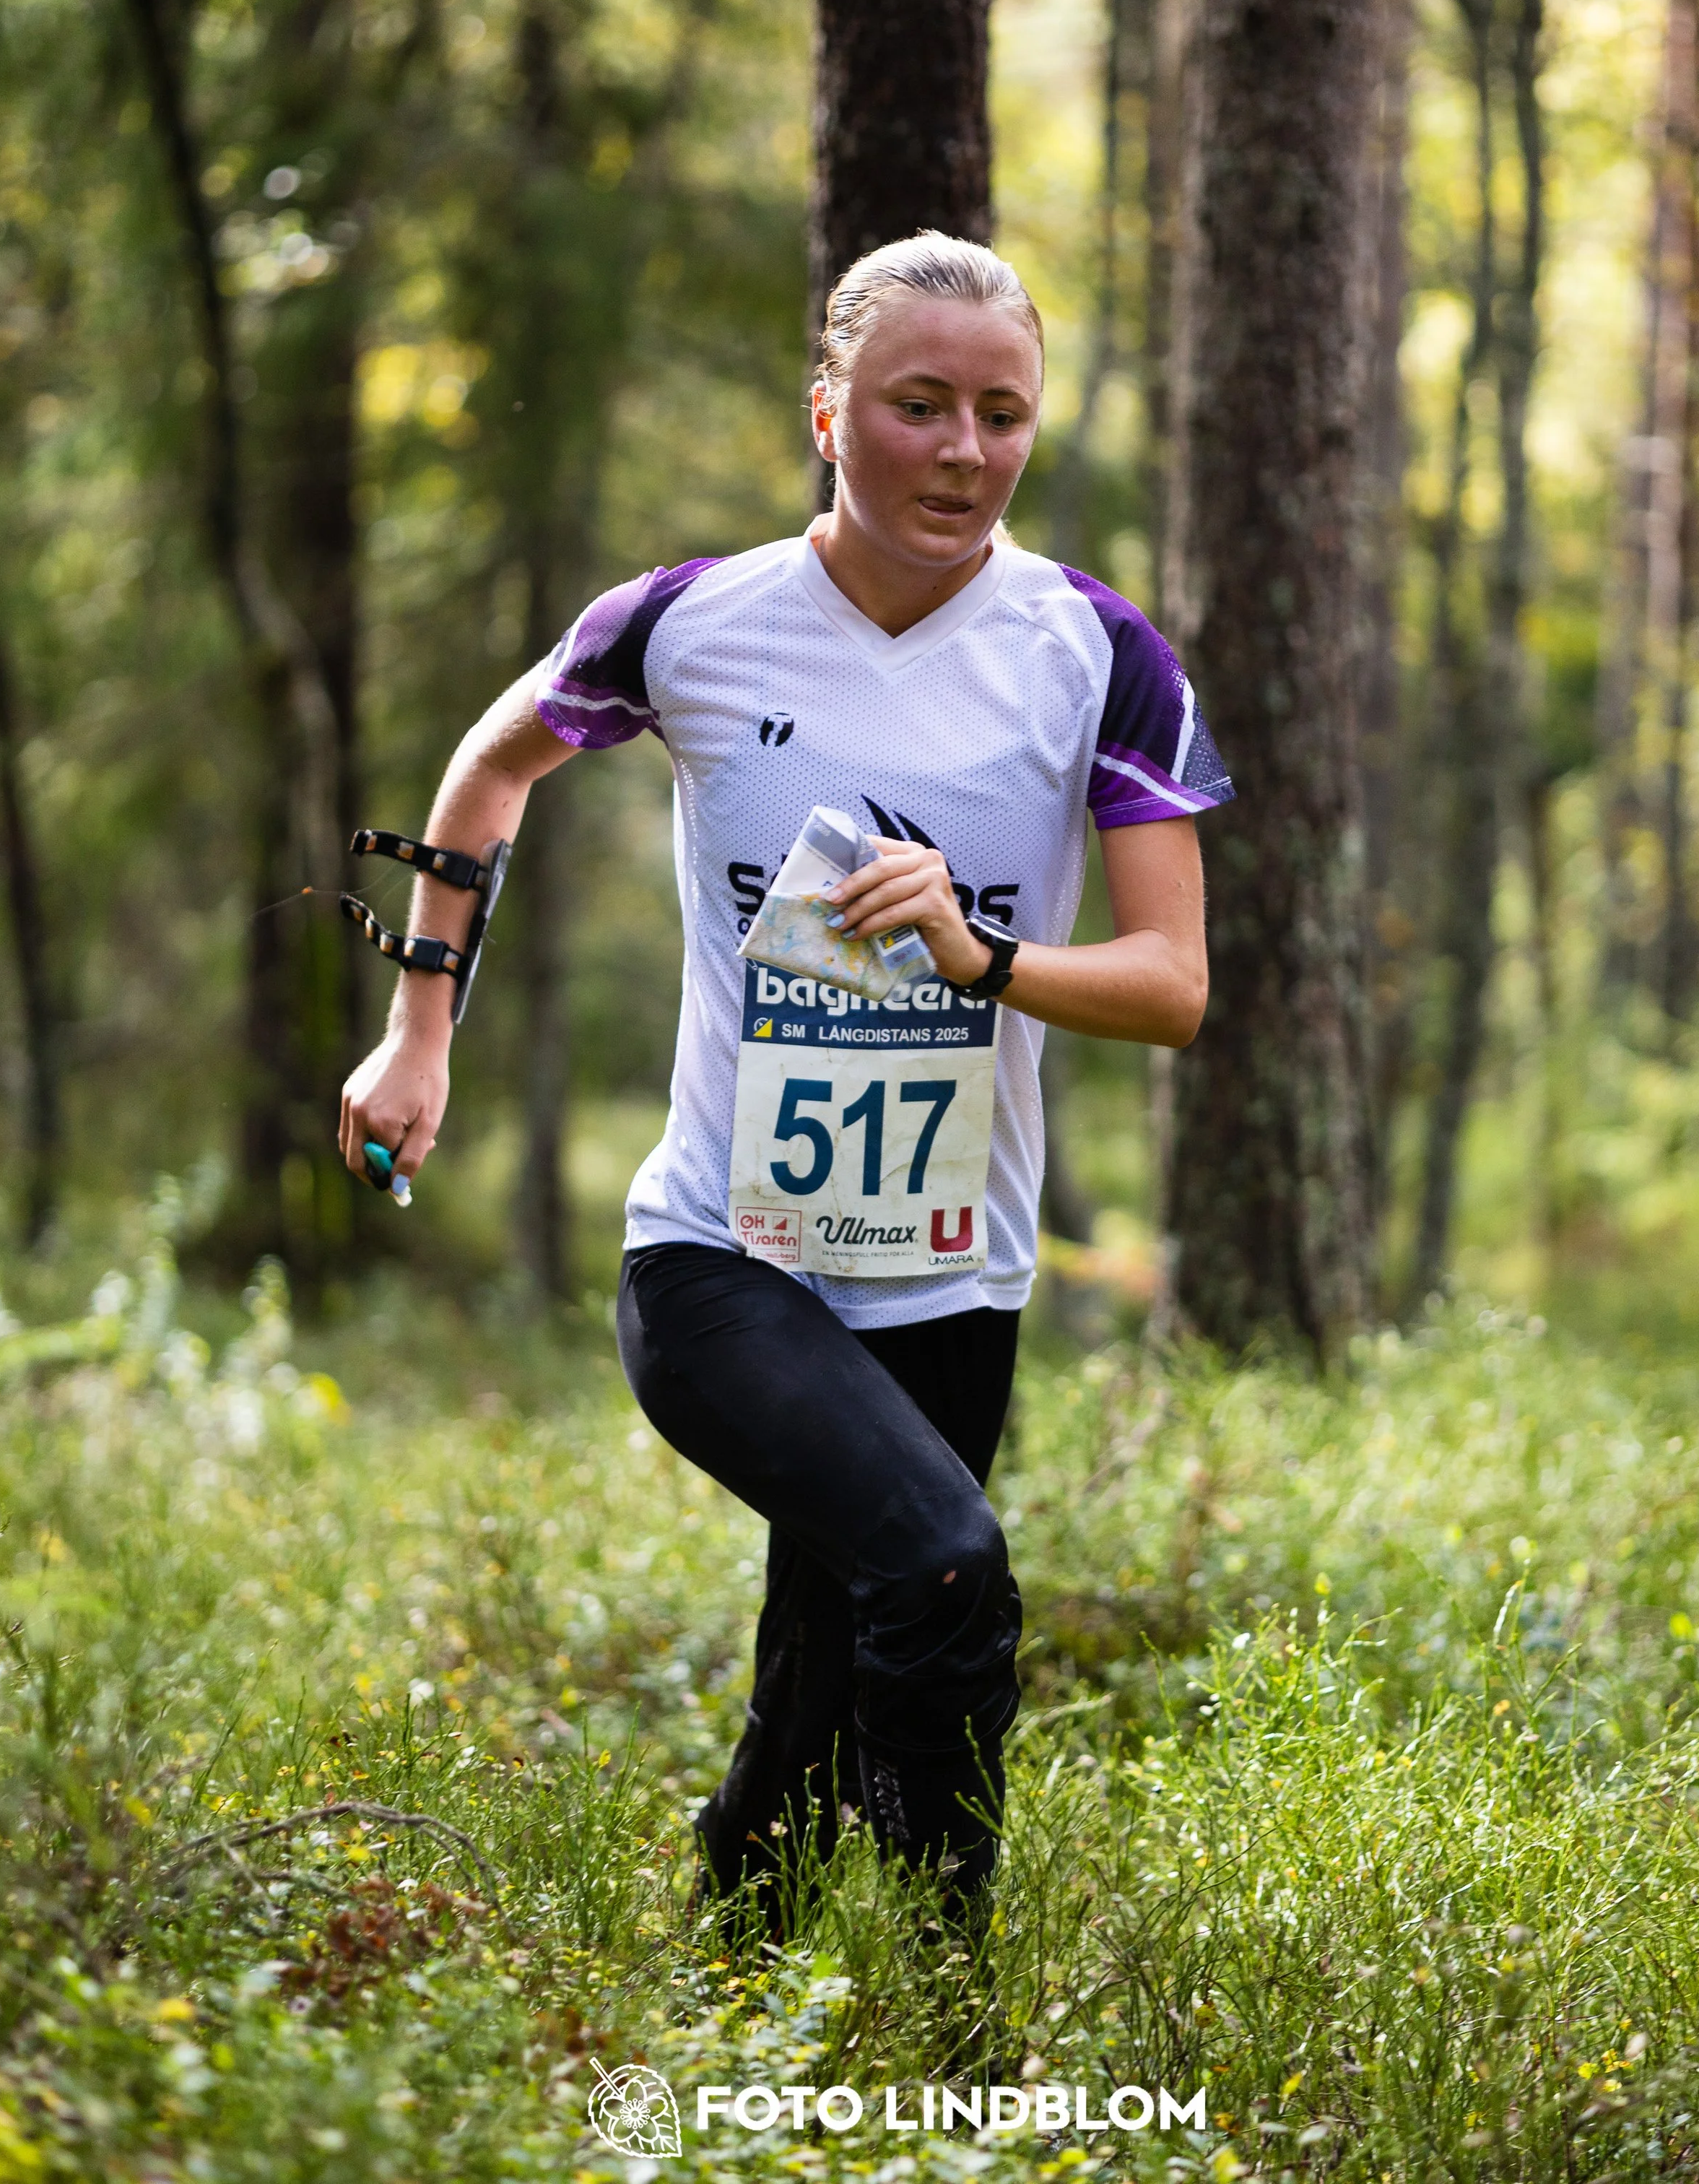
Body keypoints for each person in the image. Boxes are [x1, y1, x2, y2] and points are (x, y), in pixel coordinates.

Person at [339, 231, 1233, 1930]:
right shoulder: (693, 623)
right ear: (826, 413)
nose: (961, 451)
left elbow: (1171, 987)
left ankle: (739, 1956)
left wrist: (978, 954)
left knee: (824, 1684)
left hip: (948, 1270)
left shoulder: (1095, 653)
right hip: (718, 1255)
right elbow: (490, 765)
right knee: (944, 1566)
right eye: (917, 405)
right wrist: (419, 1027)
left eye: (1001, 414)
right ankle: (949, 2007)